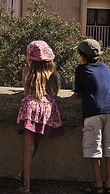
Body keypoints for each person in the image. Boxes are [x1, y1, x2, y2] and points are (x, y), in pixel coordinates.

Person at [16, 41, 64, 193]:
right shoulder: (52, 74)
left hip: (31, 109)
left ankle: (26, 186)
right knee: (34, 146)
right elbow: (54, 93)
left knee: (28, 149)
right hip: (47, 111)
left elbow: (26, 89)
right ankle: (22, 172)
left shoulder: (27, 70)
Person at [74, 39, 110, 194]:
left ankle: (99, 185)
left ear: (82, 56)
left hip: (93, 110)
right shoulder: (105, 67)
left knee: (95, 149)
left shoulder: (80, 70)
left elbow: (78, 91)